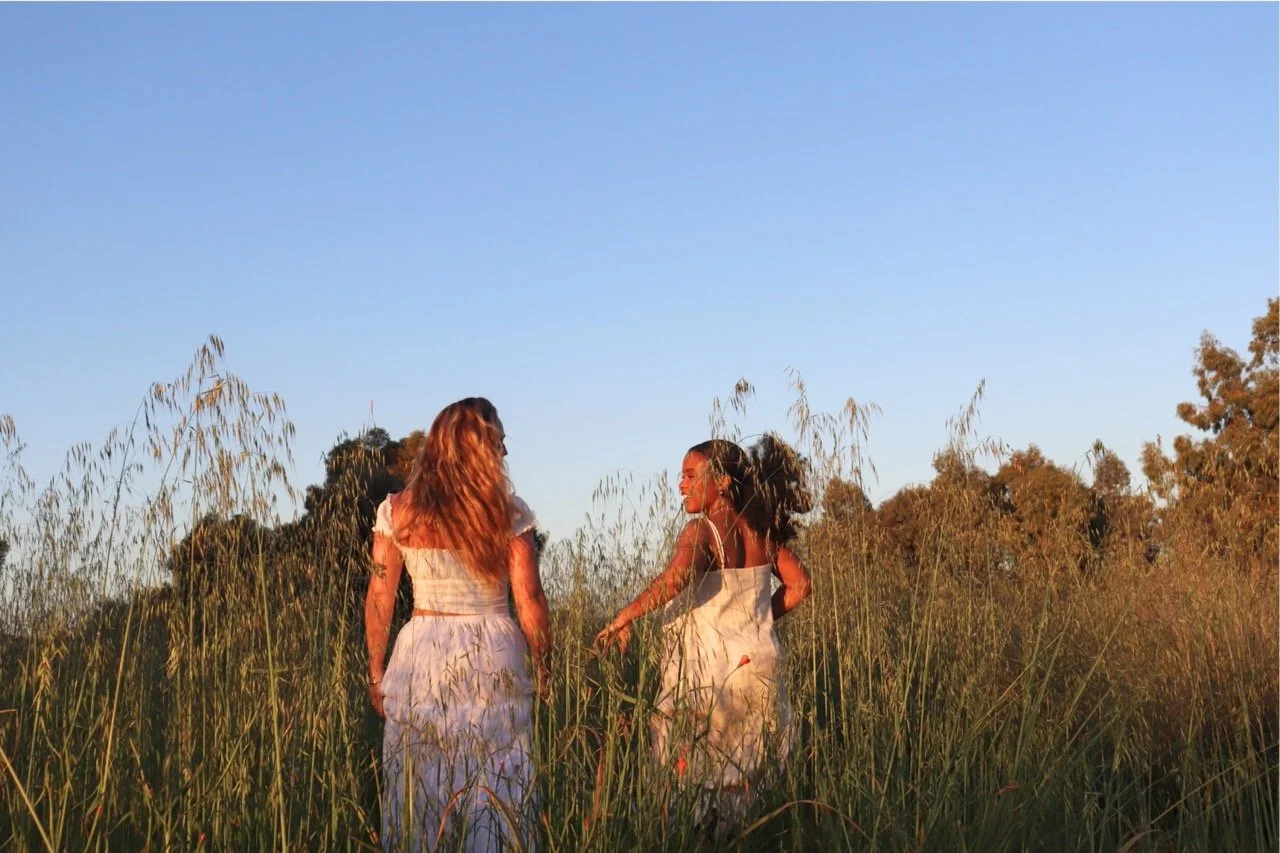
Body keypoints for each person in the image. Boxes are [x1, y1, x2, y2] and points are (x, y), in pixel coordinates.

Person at [594, 435, 813, 833]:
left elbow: (677, 577)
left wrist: (624, 616)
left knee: (692, 785)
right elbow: (800, 586)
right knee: (746, 779)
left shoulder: (703, 531)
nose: (681, 484)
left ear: (723, 482)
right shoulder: (763, 533)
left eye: (691, 475)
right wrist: (757, 620)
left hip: (708, 676)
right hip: (757, 668)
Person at [365, 397, 550, 852]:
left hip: (421, 650)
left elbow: (379, 597)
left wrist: (375, 668)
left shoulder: (398, 511)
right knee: (496, 773)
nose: (505, 453)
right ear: (479, 448)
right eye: (500, 442)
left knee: (421, 772)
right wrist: (543, 664)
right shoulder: (508, 512)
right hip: (494, 649)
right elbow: (529, 599)